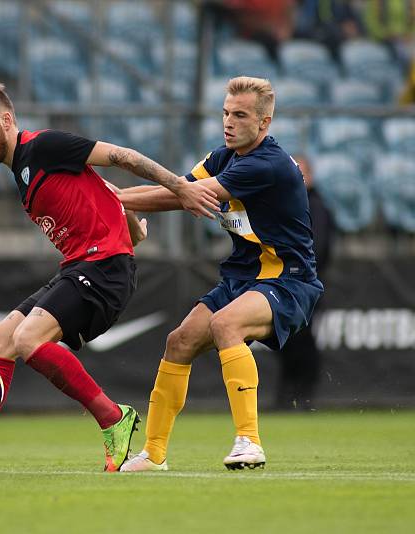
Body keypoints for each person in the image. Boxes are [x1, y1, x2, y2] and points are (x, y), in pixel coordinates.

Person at [0, 82, 220, 474]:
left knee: (27, 339)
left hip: (103, 270)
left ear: (5, 120)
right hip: (82, 267)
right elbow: (103, 192)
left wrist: (180, 188)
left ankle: (113, 419)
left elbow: (122, 155)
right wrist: (133, 228)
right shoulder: (22, 171)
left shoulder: (44, 146)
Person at [116, 77, 323, 472]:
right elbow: (183, 188)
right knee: (179, 342)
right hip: (242, 279)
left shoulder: (267, 164)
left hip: (288, 280)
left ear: (264, 123)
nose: (228, 122)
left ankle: (250, 442)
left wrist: (115, 196)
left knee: (226, 324)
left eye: (240, 115)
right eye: (226, 113)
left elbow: (183, 195)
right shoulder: (222, 157)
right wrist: (121, 198)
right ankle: (153, 455)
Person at [275, 155, 334, 410]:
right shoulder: (286, 204)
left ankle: (303, 395)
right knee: (287, 341)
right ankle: (290, 395)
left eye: (301, 171)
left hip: (304, 286)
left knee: (302, 340)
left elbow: (316, 248)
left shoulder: (315, 206)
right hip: (285, 284)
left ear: (310, 176)